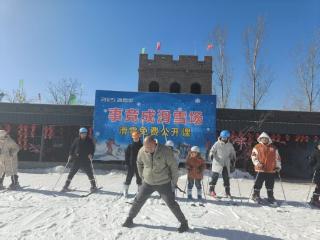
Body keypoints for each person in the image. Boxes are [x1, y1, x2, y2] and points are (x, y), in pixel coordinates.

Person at [122, 136, 188, 233]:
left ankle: (184, 223)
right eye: (145, 147)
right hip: (148, 182)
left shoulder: (165, 151)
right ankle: (130, 218)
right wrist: (142, 176)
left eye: (149, 147)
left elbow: (173, 167)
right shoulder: (142, 150)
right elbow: (139, 163)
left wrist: (173, 182)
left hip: (163, 182)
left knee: (171, 203)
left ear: (154, 143)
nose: (147, 150)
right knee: (138, 200)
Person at [61, 127, 97, 192]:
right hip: (77, 159)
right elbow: (72, 148)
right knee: (71, 173)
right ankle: (66, 186)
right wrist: (70, 155)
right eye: (82, 133)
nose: (84, 135)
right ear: (79, 134)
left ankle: (93, 186)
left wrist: (91, 154)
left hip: (86, 159)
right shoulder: (76, 140)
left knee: (89, 173)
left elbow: (92, 149)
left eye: (85, 133)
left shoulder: (89, 140)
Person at [251, 132, 281, 203]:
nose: (264, 140)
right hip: (260, 169)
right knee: (258, 183)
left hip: (271, 169)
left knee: (270, 184)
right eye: (263, 138)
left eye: (266, 138)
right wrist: (257, 163)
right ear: (260, 139)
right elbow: (253, 156)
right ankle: (255, 195)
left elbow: (277, 158)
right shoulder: (257, 147)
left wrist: (278, 166)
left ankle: (270, 196)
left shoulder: (273, 148)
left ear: (268, 139)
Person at [209, 130, 236, 198]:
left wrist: (233, 158)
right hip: (218, 162)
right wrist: (211, 155)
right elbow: (212, 150)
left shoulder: (230, 145)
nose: (224, 139)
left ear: (228, 138)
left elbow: (232, 152)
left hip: (226, 163)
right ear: (221, 137)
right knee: (214, 176)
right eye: (223, 137)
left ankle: (227, 191)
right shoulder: (217, 144)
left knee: (226, 177)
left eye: (226, 137)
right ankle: (211, 190)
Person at [123, 131, 143, 197]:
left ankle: (139, 191)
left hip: (139, 165)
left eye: (136, 138)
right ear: (133, 138)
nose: (135, 139)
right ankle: (125, 190)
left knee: (139, 178)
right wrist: (126, 163)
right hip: (131, 165)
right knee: (129, 177)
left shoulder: (142, 146)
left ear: (139, 138)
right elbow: (126, 154)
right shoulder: (130, 146)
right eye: (134, 138)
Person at [309, 141, 320, 208]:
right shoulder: (315, 152)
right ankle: (315, 199)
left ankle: (314, 199)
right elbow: (311, 162)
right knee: (318, 185)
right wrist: (314, 166)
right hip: (318, 171)